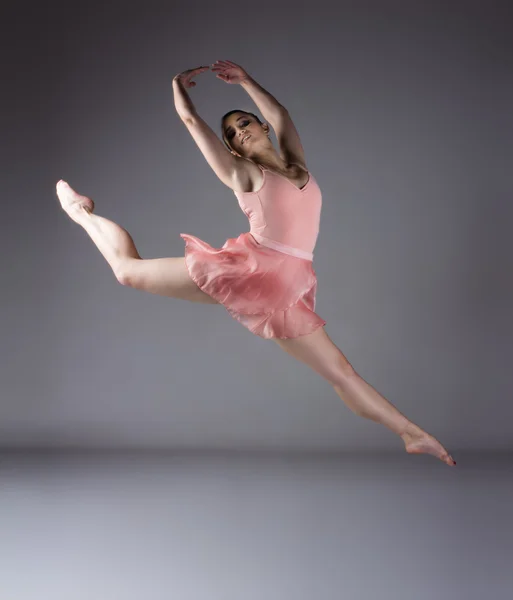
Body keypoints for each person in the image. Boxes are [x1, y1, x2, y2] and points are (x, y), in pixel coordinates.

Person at [56, 60, 456, 466]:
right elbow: (192, 122)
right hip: (253, 268)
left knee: (340, 370)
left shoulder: (297, 164)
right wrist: (180, 89)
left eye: (244, 121)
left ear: (261, 126)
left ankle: (412, 434)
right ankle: (82, 213)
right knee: (127, 271)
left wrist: (245, 81)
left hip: (289, 281)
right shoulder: (244, 173)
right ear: (234, 149)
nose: (239, 130)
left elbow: (280, 114)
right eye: (231, 133)